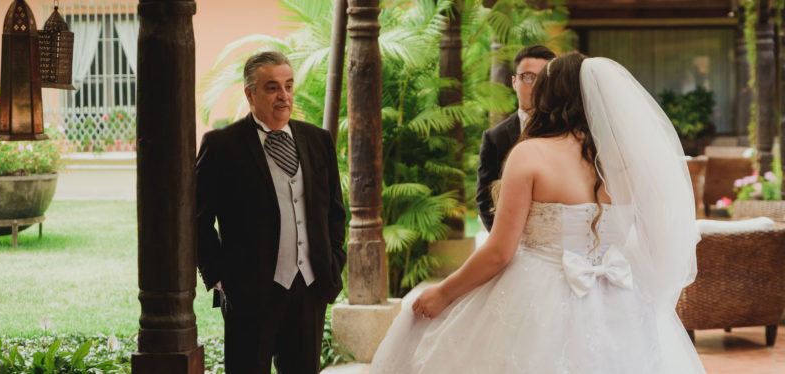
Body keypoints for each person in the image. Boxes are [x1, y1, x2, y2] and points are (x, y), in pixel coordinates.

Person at [369, 52, 705, 373]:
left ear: (550, 97)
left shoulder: (529, 154)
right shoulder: (632, 160)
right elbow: (659, 243)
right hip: (620, 298)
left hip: (537, 299)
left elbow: (500, 252)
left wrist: (443, 293)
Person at [196, 51, 347, 374]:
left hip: (309, 287)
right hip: (249, 291)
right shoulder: (222, 146)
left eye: (289, 86)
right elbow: (197, 219)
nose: (284, 95)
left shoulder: (318, 141)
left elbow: (335, 212)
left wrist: (333, 262)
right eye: (272, 87)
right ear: (250, 94)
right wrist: (221, 278)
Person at [476, 45, 555, 231]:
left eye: (543, 78)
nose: (535, 85)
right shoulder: (494, 138)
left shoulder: (570, 131)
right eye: (527, 77)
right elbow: (484, 199)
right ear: (514, 82)